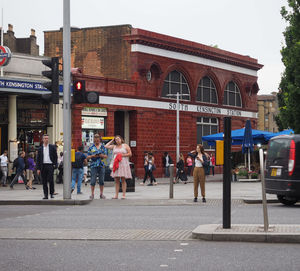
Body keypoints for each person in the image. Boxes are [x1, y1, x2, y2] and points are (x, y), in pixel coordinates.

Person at [105, 135, 132, 199]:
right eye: (116, 140)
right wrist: (111, 140)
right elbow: (106, 146)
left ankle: (123, 195)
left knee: (123, 179)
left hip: (123, 163)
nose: (117, 141)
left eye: (118, 139)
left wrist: (122, 155)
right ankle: (116, 195)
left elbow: (130, 154)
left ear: (121, 139)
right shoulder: (114, 146)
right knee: (116, 180)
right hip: (116, 164)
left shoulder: (125, 145)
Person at [36, 134, 58, 199]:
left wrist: (55, 164)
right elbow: (38, 159)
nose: (46, 140)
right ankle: (45, 195)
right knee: (44, 181)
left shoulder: (52, 147)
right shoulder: (40, 149)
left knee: (51, 180)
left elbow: (55, 157)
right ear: (42, 139)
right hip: (43, 166)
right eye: (45, 138)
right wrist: (38, 168)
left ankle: (51, 193)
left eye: (47, 138)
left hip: (50, 165)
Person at [87, 134, 107, 200]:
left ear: (99, 139)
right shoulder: (91, 147)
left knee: (101, 180)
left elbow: (106, 156)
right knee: (93, 180)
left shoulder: (103, 147)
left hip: (102, 165)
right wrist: (93, 156)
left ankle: (101, 194)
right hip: (93, 165)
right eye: (95, 139)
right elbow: (87, 156)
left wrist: (101, 155)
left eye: (98, 139)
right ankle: (92, 194)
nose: (97, 140)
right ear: (94, 140)